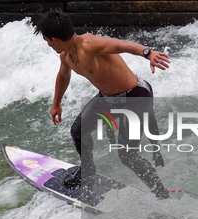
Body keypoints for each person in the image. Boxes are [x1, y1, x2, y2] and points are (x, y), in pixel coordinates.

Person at [34, 10, 170, 199]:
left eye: (47, 41)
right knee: (78, 131)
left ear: (54, 39)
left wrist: (148, 53)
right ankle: (87, 170)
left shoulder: (89, 44)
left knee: (128, 156)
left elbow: (121, 45)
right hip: (108, 98)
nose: (48, 44)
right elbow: (63, 75)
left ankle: (162, 195)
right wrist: (56, 104)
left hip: (135, 96)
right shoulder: (65, 55)